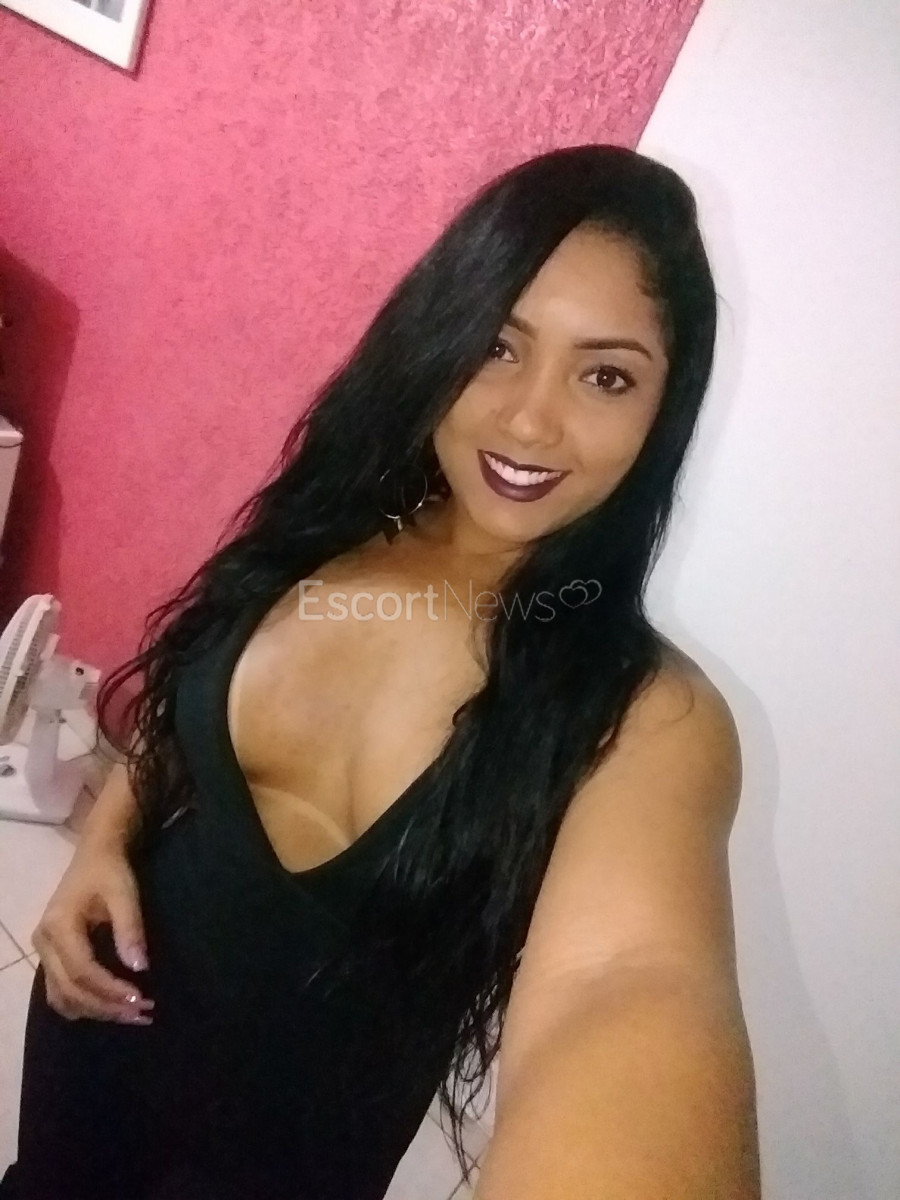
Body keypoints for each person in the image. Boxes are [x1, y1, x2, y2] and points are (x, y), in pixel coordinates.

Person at [2, 144, 760, 1200]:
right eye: (497, 346)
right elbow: (184, 704)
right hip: (90, 1047)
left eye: (605, 375)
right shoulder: (330, 527)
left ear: (662, 410)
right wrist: (101, 844)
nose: (529, 419)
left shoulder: (643, 719)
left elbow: (629, 983)